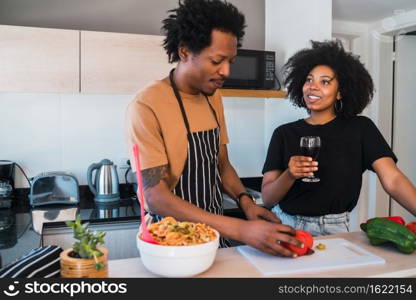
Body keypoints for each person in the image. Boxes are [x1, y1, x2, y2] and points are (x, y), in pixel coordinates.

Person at [126, 0, 302, 256]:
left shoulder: (213, 96)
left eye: (230, 61)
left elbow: (221, 163)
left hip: (212, 234)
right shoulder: (146, 105)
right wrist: (240, 230)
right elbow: (156, 196)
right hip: (169, 240)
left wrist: (246, 202)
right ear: (185, 52)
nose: (226, 71)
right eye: (217, 61)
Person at [262, 40, 416, 236]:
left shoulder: (361, 128)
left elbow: (393, 180)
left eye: (324, 82)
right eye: (309, 80)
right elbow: (267, 198)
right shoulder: (283, 133)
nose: (313, 87)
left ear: (340, 92)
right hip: (284, 224)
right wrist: (290, 174)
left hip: (333, 229)